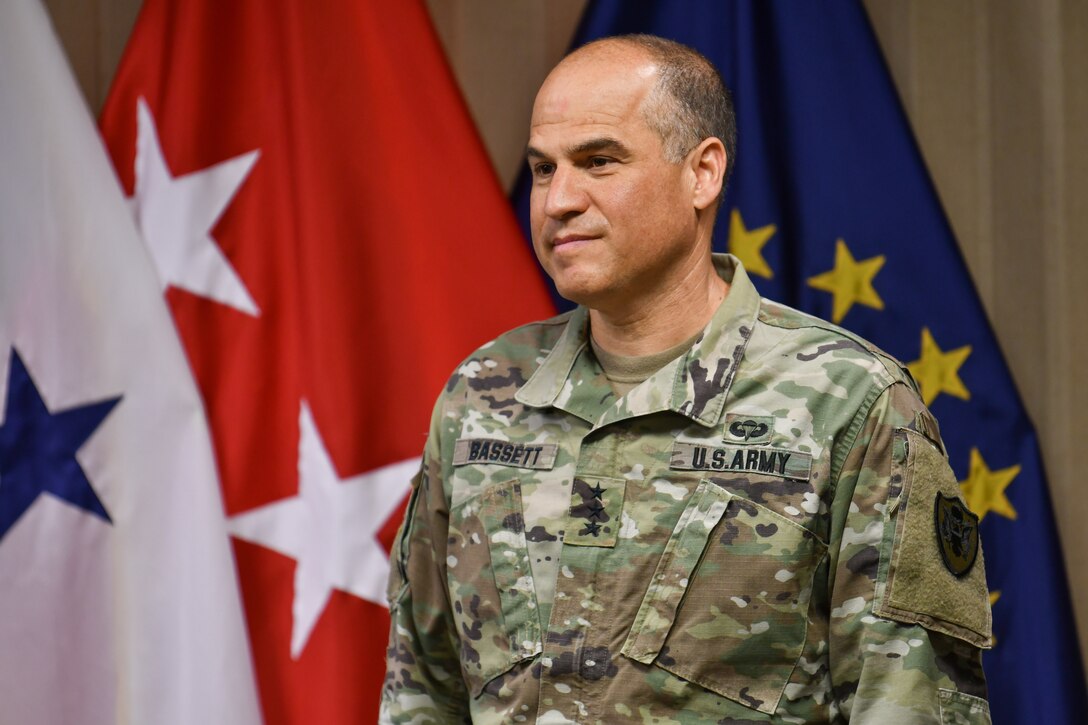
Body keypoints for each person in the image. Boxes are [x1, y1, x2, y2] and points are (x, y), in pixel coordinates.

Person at [382, 34, 992, 724]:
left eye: (598, 161)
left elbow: (906, 703)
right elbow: (422, 688)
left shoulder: (849, 402)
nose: (558, 201)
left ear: (702, 173)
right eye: (544, 169)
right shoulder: (482, 394)